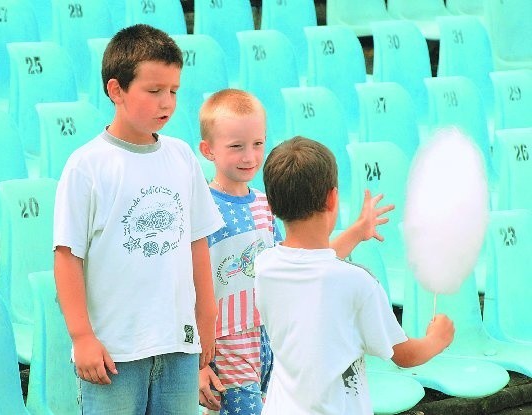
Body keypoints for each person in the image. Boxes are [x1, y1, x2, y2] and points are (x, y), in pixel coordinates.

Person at [52, 24, 224, 414]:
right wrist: (82, 337)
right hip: (114, 355)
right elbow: (66, 257)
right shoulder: (87, 165)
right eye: (154, 91)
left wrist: (206, 316)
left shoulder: (182, 157)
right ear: (117, 90)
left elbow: (197, 242)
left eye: (174, 91)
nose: (167, 102)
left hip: (178, 346)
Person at [197, 90, 399, 414]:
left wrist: (357, 232)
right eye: (236, 146)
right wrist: (198, 363)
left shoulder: (265, 204)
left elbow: (308, 257)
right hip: (226, 345)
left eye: (258, 144)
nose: (249, 156)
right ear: (208, 150)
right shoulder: (201, 209)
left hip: (272, 339)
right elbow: (187, 288)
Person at [254, 137, 455, 415]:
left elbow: (310, 264)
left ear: (272, 206)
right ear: (332, 198)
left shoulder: (265, 267)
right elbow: (404, 355)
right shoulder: (357, 283)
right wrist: (437, 339)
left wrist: (357, 232)